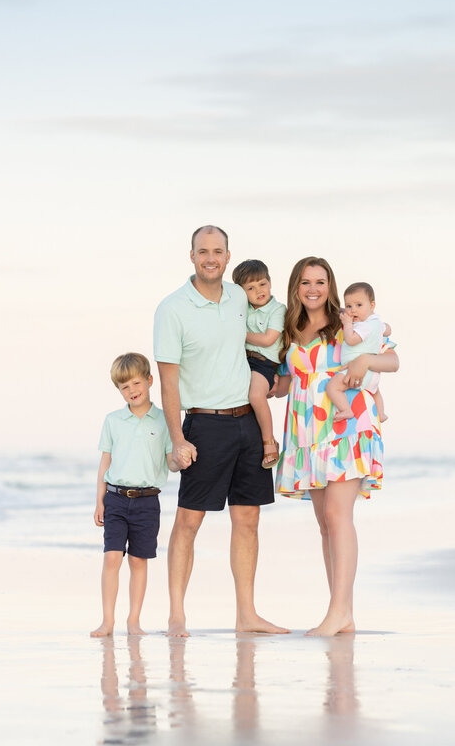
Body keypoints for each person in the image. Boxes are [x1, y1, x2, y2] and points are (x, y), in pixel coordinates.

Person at [153, 225, 289, 638]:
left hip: (248, 419)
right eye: (202, 251)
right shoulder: (172, 309)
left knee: (248, 520)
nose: (210, 258)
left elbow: (275, 331)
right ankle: (177, 614)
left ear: (228, 256)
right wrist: (177, 439)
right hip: (204, 424)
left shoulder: (237, 297)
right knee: (189, 521)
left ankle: (247, 615)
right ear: (191, 256)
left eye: (218, 251)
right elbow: (168, 382)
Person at [272, 257, 398, 636]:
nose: (313, 288)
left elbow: (392, 359)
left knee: (339, 517)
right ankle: (343, 614)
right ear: (295, 286)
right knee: (325, 524)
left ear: (331, 286)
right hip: (306, 432)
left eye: (321, 282)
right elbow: (281, 382)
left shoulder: (350, 323)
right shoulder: (288, 330)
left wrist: (366, 360)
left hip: (345, 425)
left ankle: (338, 612)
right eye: (306, 281)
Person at [91, 353, 178, 638]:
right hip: (115, 498)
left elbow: (171, 460)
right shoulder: (113, 420)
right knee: (112, 557)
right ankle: (107, 621)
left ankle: (134, 621)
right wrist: (99, 501)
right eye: (124, 387)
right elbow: (105, 463)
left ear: (150, 381)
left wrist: (184, 456)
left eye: (136, 383)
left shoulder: (165, 420)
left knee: (139, 560)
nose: (132, 391)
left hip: (148, 501)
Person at [231, 259, 286, 469]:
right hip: (244, 360)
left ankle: (269, 442)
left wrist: (239, 334)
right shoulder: (242, 309)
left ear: (270, 282)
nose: (258, 291)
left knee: (255, 395)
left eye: (262, 284)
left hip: (264, 363)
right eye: (250, 288)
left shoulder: (278, 309)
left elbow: (268, 339)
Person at [326, 282, 390, 423]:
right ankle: (381, 413)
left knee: (332, 387)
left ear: (372, 306)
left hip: (356, 370)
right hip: (371, 372)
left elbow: (350, 340)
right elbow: (388, 330)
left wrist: (348, 324)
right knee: (375, 391)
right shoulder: (376, 323)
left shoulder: (363, 327)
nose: (353, 310)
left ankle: (346, 410)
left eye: (358, 305)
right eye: (349, 306)